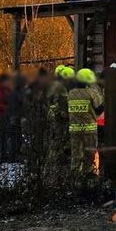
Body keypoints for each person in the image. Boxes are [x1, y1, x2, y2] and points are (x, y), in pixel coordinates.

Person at [67, 68, 104, 185]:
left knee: (76, 155)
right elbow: (100, 108)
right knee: (91, 155)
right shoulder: (91, 93)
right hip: (89, 130)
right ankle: (92, 179)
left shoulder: (70, 93)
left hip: (74, 131)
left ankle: (76, 178)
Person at [44, 64, 75, 192]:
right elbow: (63, 108)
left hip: (53, 119)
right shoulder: (61, 89)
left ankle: (51, 172)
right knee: (58, 146)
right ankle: (55, 173)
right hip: (59, 121)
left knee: (55, 145)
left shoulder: (53, 85)